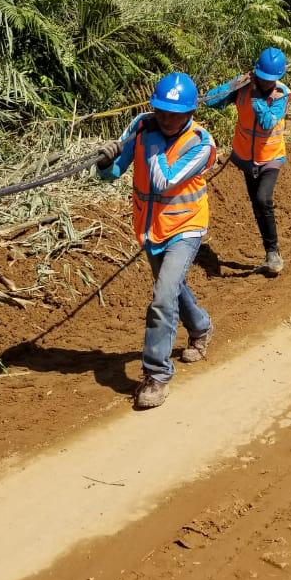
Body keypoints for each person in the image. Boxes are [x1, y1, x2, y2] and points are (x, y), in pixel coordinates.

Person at [96, 72, 216, 411]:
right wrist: (105, 162)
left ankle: (156, 375)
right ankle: (201, 327)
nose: (165, 118)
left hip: (186, 227)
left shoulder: (201, 145)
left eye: (173, 114)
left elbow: (164, 180)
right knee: (172, 287)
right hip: (150, 228)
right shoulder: (141, 125)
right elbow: (114, 171)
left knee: (163, 297)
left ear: (190, 113)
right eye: (160, 111)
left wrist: (149, 142)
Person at [206, 47, 290, 276]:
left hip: (270, 158)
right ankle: (270, 252)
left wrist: (256, 97)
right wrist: (234, 85)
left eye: (269, 80)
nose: (265, 83)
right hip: (246, 159)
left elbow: (266, 122)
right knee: (256, 205)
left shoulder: (281, 94)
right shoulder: (243, 88)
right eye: (262, 78)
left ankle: (273, 252)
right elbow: (211, 101)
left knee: (263, 199)